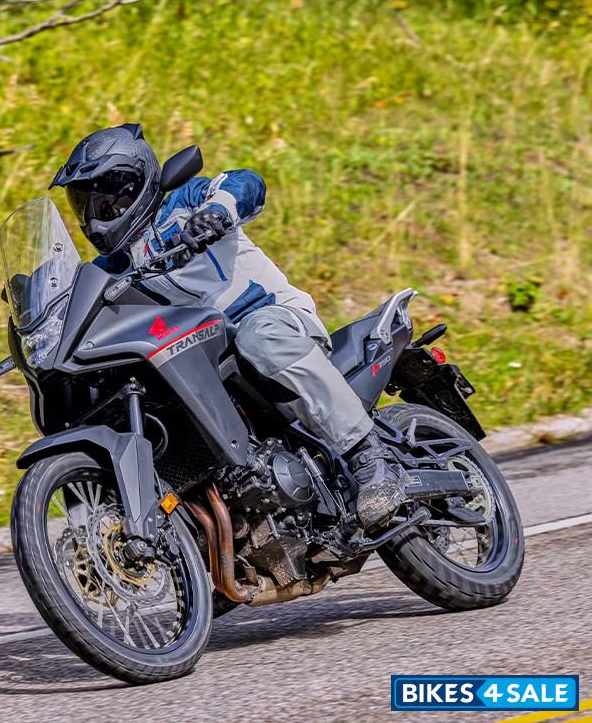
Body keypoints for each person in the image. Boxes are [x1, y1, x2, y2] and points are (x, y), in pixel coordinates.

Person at [49, 123, 406, 529]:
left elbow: (245, 183)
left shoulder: (186, 202)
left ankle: (369, 457)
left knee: (258, 336)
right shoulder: (110, 269)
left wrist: (217, 213)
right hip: (205, 361)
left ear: (136, 185)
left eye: (106, 200)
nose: (96, 217)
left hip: (275, 323)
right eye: (86, 205)